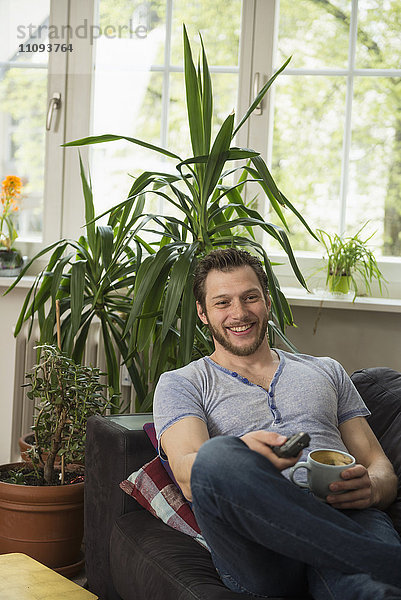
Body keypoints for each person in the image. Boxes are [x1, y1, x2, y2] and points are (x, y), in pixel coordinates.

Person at [153, 248, 401, 599]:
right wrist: (243, 458)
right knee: (216, 456)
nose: (239, 313)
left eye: (250, 297)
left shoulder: (326, 369)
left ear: (267, 301)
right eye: (222, 302)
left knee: (370, 591)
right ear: (203, 313)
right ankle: (383, 560)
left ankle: (372, 562)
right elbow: (189, 476)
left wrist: (373, 488)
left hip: (347, 514)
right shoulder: (183, 383)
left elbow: (380, 465)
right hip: (257, 544)